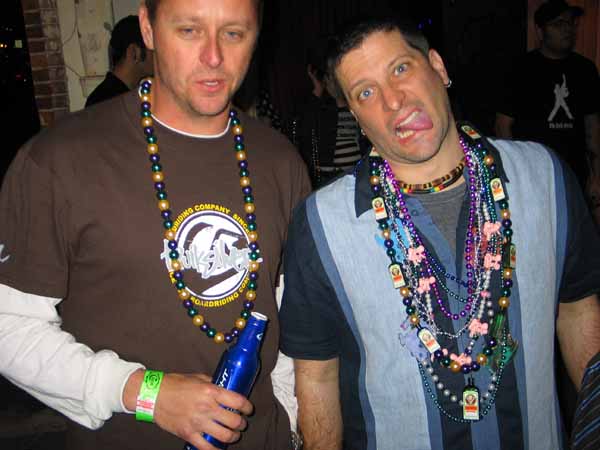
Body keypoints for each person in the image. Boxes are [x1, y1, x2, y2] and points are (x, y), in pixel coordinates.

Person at [279, 15, 600, 450]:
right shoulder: (321, 224)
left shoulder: (543, 176)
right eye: (366, 92)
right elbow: (317, 376)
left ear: (438, 67)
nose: (393, 101)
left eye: (400, 69)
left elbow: (578, 310)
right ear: (355, 115)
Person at [0, 1, 310, 450]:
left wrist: (291, 423)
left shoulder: (281, 162)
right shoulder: (58, 160)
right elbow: (9, 327)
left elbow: (290, 321)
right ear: (147, 28)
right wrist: (146, 392)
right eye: (189, 30)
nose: (213, 56)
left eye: (233, 33)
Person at [495, 0, 600, 194]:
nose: (567, 29)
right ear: (540, 30)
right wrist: (514, 170)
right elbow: (503, 125)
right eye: (558, 23)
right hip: (532, 172)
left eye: (571, 23)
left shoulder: (585, 69)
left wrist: (596, 176)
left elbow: (592, 127)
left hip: (574, 173)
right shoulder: (520, 69)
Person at [291, 42, 368, 188]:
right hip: (330, 178)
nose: (333, 83)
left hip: (356, 174)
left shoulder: (355, 105)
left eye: (335, 79)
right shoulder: (323, 109)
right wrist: (317, 90)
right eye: (329, 79)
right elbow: (304, 126)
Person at [85, 15, 154, 108]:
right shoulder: (108, 101)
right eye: (152, 49)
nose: (158, 57)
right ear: (134, 52)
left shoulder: (111, 95)